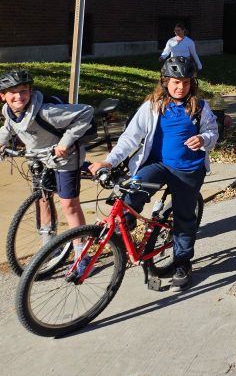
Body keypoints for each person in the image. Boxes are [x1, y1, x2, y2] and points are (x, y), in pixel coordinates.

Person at [90, 57, 217, 290]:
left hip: (188, 169)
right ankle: (123, 230)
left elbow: (212, 131)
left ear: (192, 84)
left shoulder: (200, 107)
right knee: (133, 190)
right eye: (176, 82)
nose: (181, 87)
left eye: (186, 82)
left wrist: (204, 139)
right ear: (165, 82)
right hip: (157, 164)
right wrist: (108, 162)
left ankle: (182, 262)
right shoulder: (153, 105)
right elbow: (130, 138)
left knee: (184, 217)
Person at [0, 69, 93, 262]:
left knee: (69, 205)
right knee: (42, 198)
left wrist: (65, 143)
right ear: (3, 96)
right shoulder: (9, 110)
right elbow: (9, 127)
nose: (18, 96)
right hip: (38, 156)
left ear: (31, 91)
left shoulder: (47, 112)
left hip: (64, 156)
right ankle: (49, 247)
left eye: (23, 91)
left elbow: (86, 111)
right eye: (12, 92)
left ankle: (81, 256)